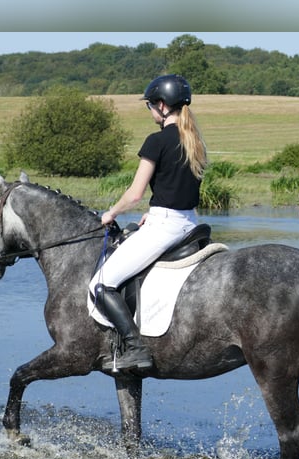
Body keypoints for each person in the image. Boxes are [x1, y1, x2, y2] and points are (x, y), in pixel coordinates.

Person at [89, 74, 208, 371]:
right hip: (190, 224)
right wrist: (155, 211)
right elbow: (180, 188)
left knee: (102, 284)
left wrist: (111, 214)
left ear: (162, 106)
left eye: (150, 107)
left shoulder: (156, 141)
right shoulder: (195, 141)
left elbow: (135, 193)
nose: (151, 112)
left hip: (166, 227)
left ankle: (135, 348)